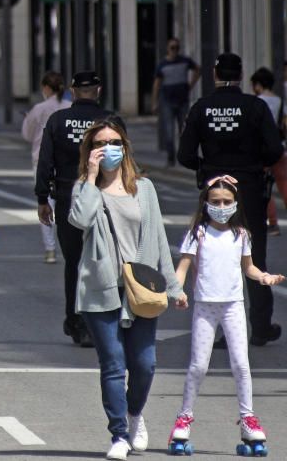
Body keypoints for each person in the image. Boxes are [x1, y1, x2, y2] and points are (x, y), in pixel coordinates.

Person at [68, 117, 187, 460]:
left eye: (115, 142)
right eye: (100, 143)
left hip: (143, 288)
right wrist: (91, 177)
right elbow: (80, 220)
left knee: (145, 363)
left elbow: (159, 240)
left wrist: (174, 286)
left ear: (126, 146)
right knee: (113, 363)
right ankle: (119, 434)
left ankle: (135, 414)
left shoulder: (144, 188)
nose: (109, 149)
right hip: (100, 287)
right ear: (90, 151)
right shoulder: (83, 188)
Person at [167, 175, 284, 456]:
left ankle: (248, 420)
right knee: (198, 366)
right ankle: (183, 419)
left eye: (227, 202)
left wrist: (264, 277)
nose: (221, 206)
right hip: (205, 307)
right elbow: (183, 266)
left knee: (241, 366)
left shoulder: (241, 235)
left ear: (235, 204)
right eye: (215, 201)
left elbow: (249, 268)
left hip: (233, 306)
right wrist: (177, 291)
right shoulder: (198, 233)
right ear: (205, 203)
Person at [178, 53, 284, 346]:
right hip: (249, 188)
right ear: (241, 73)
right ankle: (260, 326)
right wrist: (254, 164)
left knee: (216, 256)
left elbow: (184, 155)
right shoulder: (255, 106)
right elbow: (275, 149)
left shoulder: (202, 108)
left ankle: (222, 327)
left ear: (214, 74)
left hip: (215, 189)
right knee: (254, 256)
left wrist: (206, 167)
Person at [35, 71, 123, 347]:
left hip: (67, 199)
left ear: (73, 91)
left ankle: (76, 321)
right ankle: (102, 321)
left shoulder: (58, 120)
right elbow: (126, 161)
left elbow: (45, 161)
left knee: (74, 262)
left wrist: (42, 198)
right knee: (103, 262)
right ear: (98, 90)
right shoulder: (110, 121)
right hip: (106, 200)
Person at [21, 71, 71, 264]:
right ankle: (69, 244)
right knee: (69, 205)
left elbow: (27, 134)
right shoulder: (70, 106)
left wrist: (27, 119)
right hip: (67, 162)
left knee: (46, 204)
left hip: (42, 162)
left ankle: (50, 249)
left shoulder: (39, 108)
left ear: (46, 88)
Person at [250, 67, 287, 236]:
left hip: (262, 150)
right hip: (279, 147)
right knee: (284, 184)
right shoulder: (279, 100)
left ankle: (273, 223)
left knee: (265, 187)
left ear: (258, 84)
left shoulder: (257, 102)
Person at [152, 38, 200, 167]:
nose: (175, 51)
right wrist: (155, 101)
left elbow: (197, 69)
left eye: (177, 48)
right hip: (167, 101)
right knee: (169, 131)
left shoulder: (184, 61)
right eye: (172, 48)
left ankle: (183, 156)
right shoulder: (162, 65)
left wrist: (191, 85)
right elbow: (157, 84)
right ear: (168, 49)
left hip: (182, 100)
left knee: (183, 130)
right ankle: (171, 157)